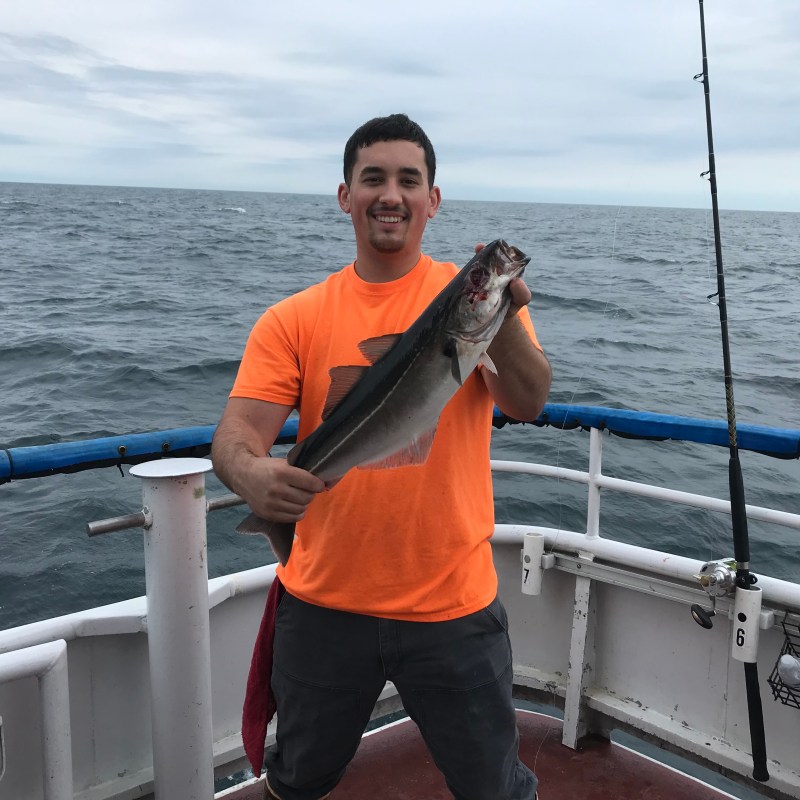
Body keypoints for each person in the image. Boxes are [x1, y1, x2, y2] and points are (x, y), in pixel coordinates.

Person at [211, 113, 551, 800]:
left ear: (433, 199)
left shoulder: (473, 306)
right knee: (297, 781)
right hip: (323, 604)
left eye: (408, 180)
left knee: (493, 788)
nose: (391, 194)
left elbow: (528, 401)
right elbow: (235, 435)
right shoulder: (294, 317)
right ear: (346, 196)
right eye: (373, 178)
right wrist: (252, 475)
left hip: (454, 605)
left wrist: (501, 312)